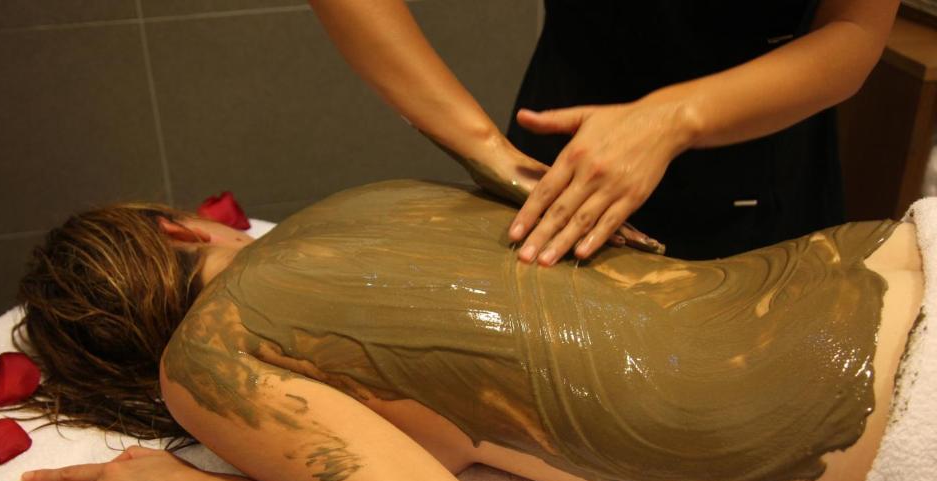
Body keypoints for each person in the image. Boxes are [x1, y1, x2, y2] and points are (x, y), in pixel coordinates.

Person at [0, 180, 923, 481]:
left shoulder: (206, 359)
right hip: (884, 254)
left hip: (896, 422)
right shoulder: (366, 199)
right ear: (180, 229)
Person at [309, 0, 898, 261]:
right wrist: (484, 150)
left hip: (766, 161)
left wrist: (674, 118)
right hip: (562, 162)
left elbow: (854, 30)